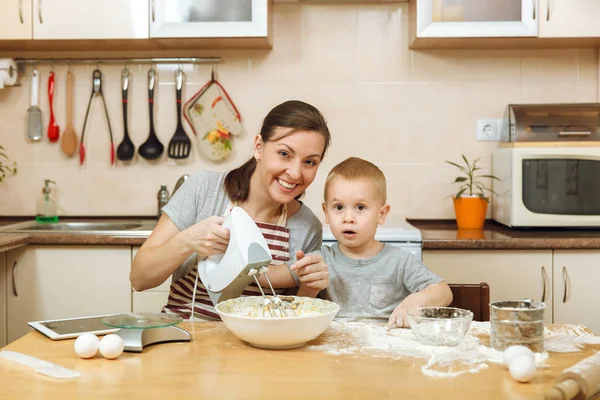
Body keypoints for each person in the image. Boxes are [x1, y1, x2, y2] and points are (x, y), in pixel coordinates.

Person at [131, 100, 332, 320]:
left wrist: (310, 289)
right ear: (258, 147)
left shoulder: (307, 226)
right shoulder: (205, 189)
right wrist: (187, 241)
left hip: (258, 346)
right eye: (284, 154)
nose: (295, 173)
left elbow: (289, 319)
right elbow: (139, 279)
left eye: (310, 162)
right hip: (184, 336)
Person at [317, 157, 453, 328]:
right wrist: (308, 287)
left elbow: (444, 292)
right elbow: (299, 307)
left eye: (360, 207)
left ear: (381, 214)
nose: (348, 218)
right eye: (338, 207)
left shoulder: (399, 261)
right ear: (326, 213)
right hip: (334, 350)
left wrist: (416, 300)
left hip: (387, 347)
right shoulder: (321, 260)